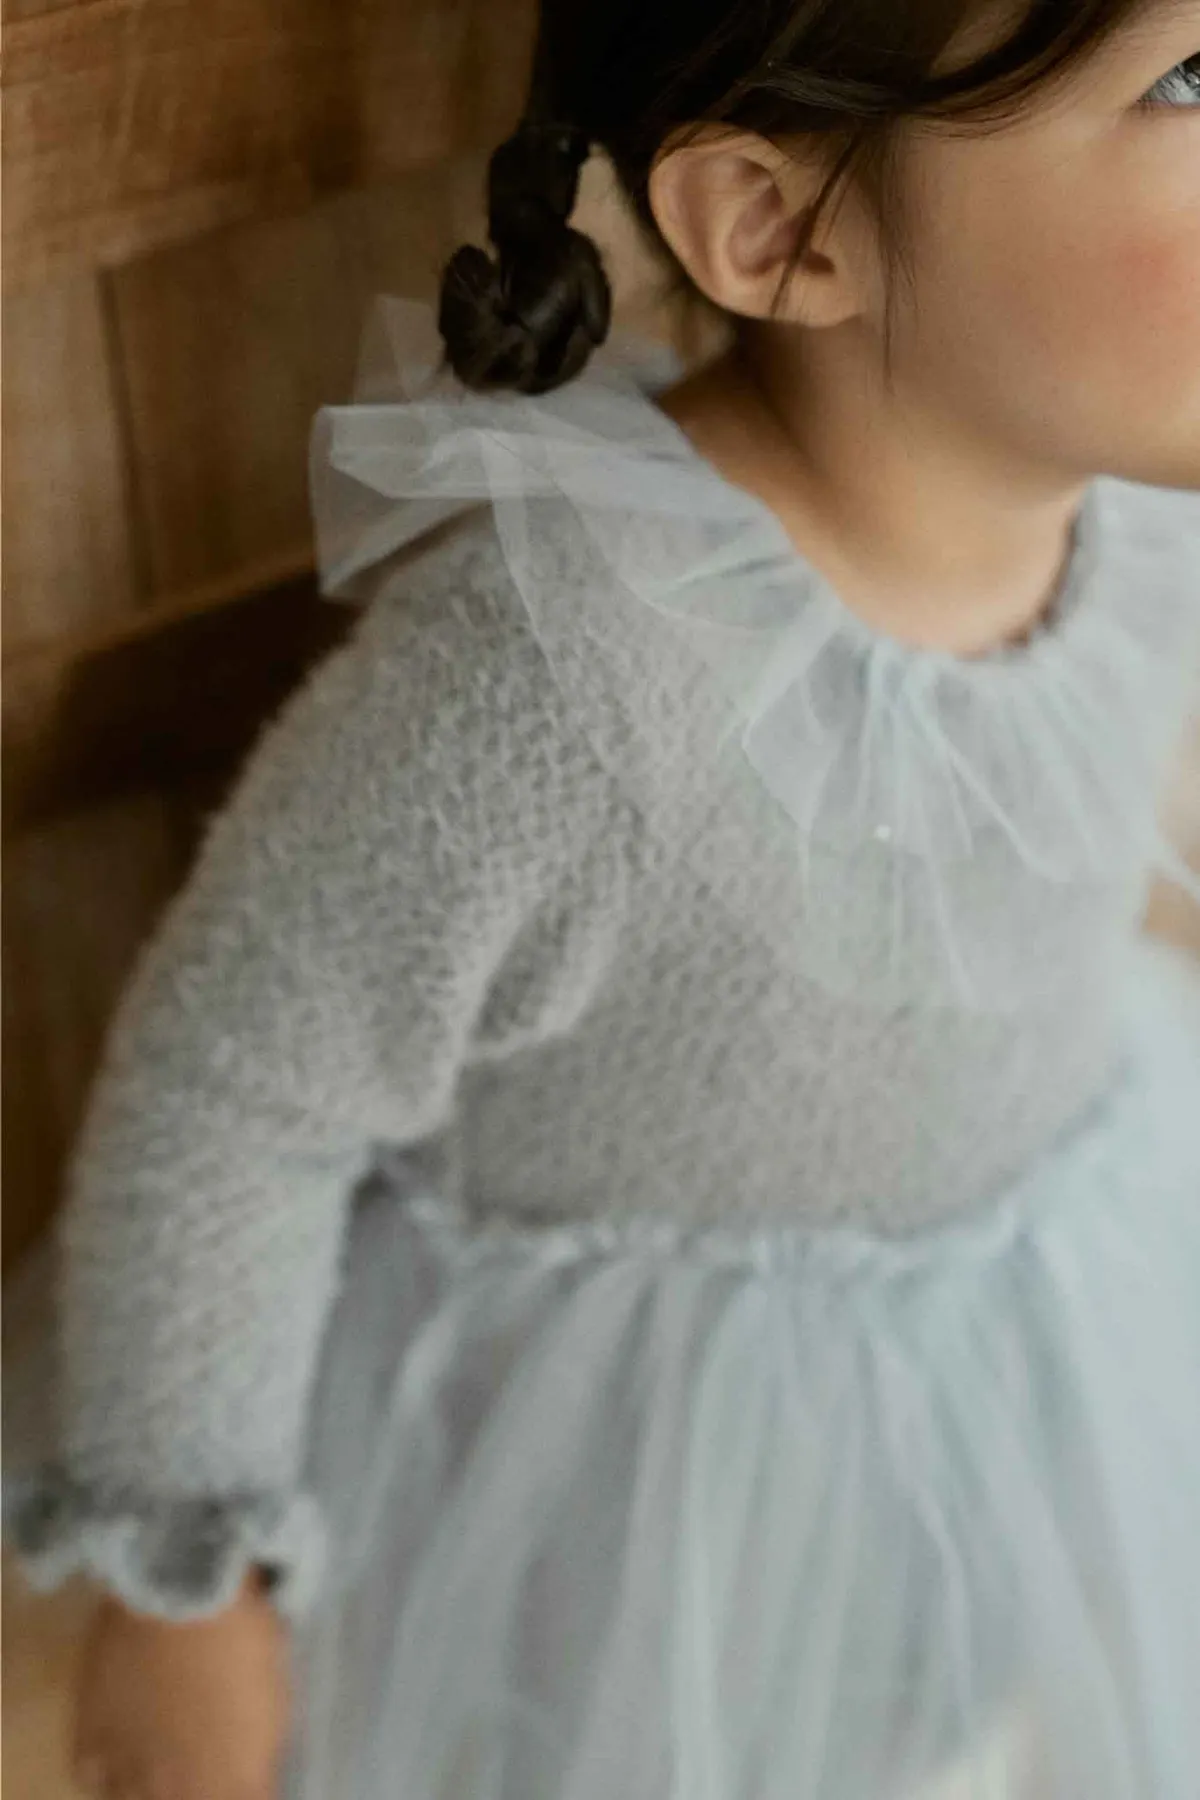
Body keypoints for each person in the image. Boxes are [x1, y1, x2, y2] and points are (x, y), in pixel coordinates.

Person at [8, 1, 1200, 1795]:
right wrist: (187, 1593)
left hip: (1007, 1338)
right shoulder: (564, 683)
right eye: (1190, 75)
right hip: (626, 1513)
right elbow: (236, 1089)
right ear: (783, 229)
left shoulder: (1140, 514)